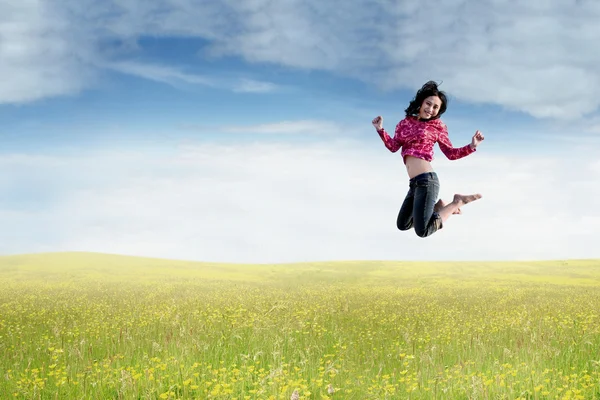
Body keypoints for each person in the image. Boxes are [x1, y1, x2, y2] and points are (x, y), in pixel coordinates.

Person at [372, 81, 484, 238]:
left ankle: (456, 203)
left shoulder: (437, 126)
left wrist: (472, 146)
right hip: (414, 184)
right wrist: (380, 130)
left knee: (422, 231)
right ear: (421, 102)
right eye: (428, 104)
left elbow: (450, 153)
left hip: (427, 180)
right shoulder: (404, 123)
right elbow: (393, 146)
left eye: (435, 107)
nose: (430, 109)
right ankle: (438, 208)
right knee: (403, 224)